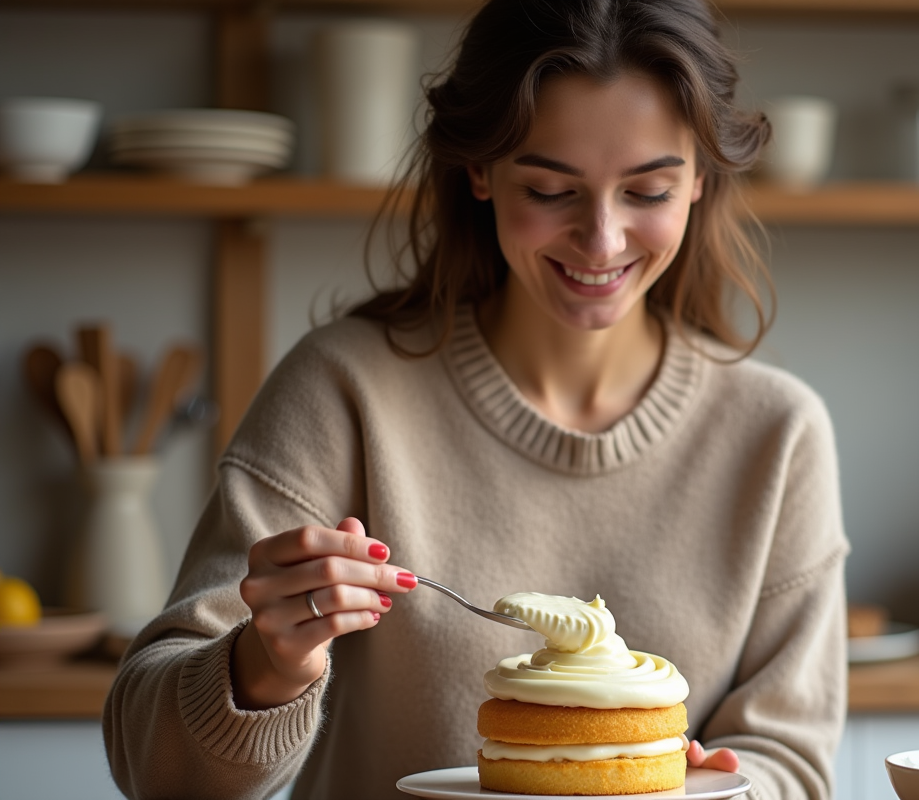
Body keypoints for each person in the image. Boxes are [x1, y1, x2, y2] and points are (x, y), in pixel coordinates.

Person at [103, 0, 849, 798]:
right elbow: (156, 773)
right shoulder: (344, 390)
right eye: (550, 189)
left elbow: (792, 764)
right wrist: (265, 664)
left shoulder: (777, 433)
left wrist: (711, 792)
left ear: (700, 180)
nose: (601, 241)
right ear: (480, 172)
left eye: (647, 191)